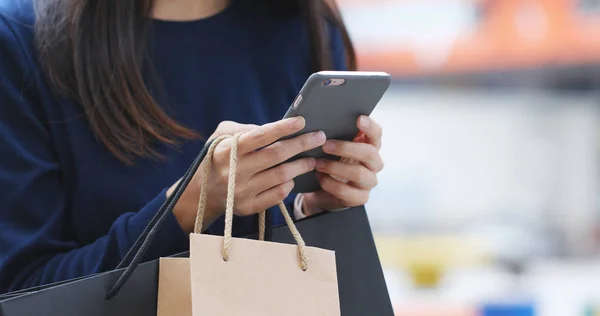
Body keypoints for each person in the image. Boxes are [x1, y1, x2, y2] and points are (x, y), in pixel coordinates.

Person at [0, 0, 385, 293]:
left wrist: (313, 209)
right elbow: (23, 290)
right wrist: (189, 205)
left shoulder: (302, 22)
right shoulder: (22, 37)